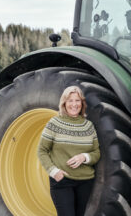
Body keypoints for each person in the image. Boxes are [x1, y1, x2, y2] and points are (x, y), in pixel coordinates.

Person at [37, 86, 100, 216]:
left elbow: (96, 153)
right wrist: (53, 171)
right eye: (70, 100)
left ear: (82, 103)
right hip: (62, 181)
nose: (74, 104)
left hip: (85, 182)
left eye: (77, 100)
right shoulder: (55, 123)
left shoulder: (88, 126)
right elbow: (42, 150)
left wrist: (84, 157)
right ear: (64, 103)